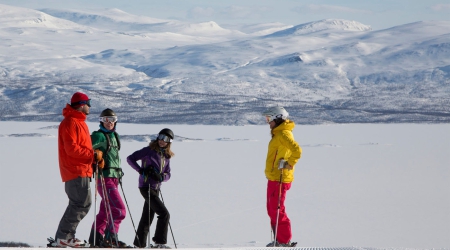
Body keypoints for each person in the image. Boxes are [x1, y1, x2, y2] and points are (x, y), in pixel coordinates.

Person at [55, 92, 103, 247]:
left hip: (82, 169)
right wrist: (93, 154)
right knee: (80, 203)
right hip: (75, 170)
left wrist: (93, 161)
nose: (89, 106)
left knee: (81, 203)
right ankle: (64, 237)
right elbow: (72, 150)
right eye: (88, 103)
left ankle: (65, 237)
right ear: (82, 104)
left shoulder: (79, 122)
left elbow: (81, 148)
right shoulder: (70, 122)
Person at [127, 128, 175, 249]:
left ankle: (139, 244)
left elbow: (168, 174)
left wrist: (161, 177)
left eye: (166, 139)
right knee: (164, 214)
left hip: (156, 188)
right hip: (146, 187)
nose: (162, 141)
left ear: (169, 142)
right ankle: (159, 243)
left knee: (147, 216)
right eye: (160, 137)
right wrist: (141, 170)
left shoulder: (166, 156)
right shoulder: (148, 150)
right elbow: (130, 158)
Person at [262, 106, 302, 247]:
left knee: (277, 209)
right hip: (274, 177)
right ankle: (279, 240)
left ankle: (284, 241)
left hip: (280, 178)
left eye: (269, 119)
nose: (268, 122)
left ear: (277, 119)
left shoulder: (283, 134)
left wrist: (289, 164)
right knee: (272, 209)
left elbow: (297, 150)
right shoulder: (278, 133)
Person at [88, 108, 129, 248]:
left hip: (114, 177)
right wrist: (94, 157)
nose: (109, 123)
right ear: (101, 121)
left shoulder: (114, 136)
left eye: (111, 120)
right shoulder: (99, 135)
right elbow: (85, 148)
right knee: (119, 209)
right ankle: (111, 238)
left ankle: (96, 238)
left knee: (106, 210)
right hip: (105, 178)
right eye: (106, 120)